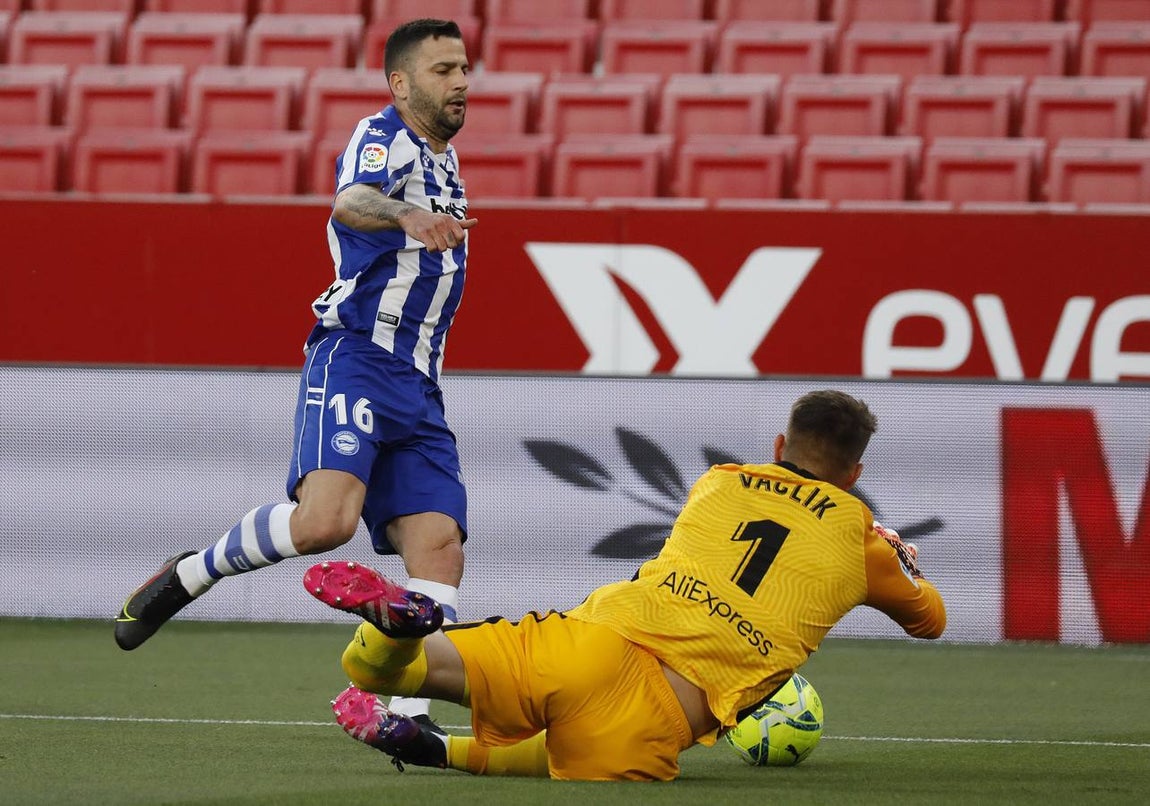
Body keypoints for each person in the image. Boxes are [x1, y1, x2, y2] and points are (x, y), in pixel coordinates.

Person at [115, 19, 478, 721]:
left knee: (439, 549)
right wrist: (406, 215)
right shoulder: (385, 136)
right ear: (400, 84)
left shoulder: (442, 159)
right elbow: (351, 200)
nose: (462, 81)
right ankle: (190, 573)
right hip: (357, 359)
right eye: (443, 70)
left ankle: (406, 718)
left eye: (464, 67)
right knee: (324, 524)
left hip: (419, 386)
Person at [303, 390, 948, 781]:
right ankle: (442, 752)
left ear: (780, 441)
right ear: (856, 470)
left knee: (383, 673)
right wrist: (899, 553)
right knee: (568, 758)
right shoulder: (864, 547)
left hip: (591, 638)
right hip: (662, 707)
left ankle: (397, 627)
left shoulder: (719, 480)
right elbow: (931, 621)